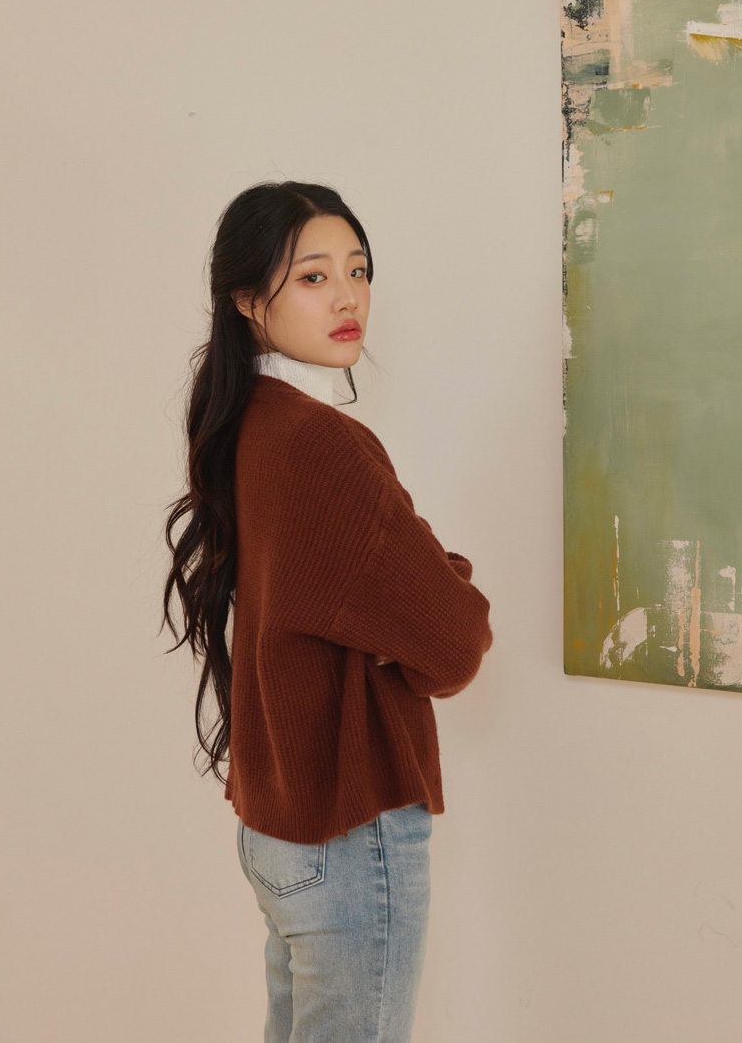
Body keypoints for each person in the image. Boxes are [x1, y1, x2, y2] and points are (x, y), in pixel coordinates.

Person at [161, 178, 493, 1043]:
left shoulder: (250, 422)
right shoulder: (322, 444)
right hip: (348, 833)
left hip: (284, 828)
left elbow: (389, 602)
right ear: (247, 300)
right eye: (313, 277)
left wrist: (410, 591)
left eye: (358, 270)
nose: (348, 297)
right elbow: (456, 641)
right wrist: (434, 581)